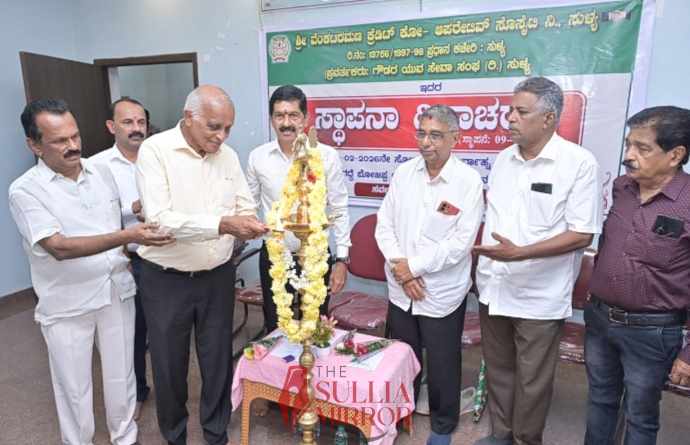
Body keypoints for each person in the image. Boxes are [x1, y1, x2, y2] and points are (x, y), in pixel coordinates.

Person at [9, 98, 174, 445]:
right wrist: (127, 237)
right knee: (74, 387)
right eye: (60, 141)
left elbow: (113, 222)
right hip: (68, 299)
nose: (72, 145)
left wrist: (133, 232)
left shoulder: (101, 172)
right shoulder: (25, 190)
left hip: (116, 288)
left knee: (122, 375)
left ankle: (125, 437)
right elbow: (58, 247)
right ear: (35, 145)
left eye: (75, 136)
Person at [472, 77, 603, 445]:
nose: (510, 118)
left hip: (539, 294)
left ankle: (526, 440)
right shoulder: (504, 159)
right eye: (511, 110)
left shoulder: (578, 163)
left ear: (548, 119)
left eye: (521, 112)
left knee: (532, 380)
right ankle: (501, 435)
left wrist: (520, 254)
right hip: (495, 286)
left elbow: (582, 234)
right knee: (499, 369)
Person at [135, 85, 266, 445]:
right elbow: (160, 220)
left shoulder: (228, 156)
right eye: (213, 126)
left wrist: (249, 223)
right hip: (166, 280)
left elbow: (244, 205)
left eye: (228, 128)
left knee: (217, 359)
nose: (221, 136)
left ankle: (216, 432)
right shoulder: (155, 150)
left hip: (218, 276)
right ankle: (174, 435)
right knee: (169, 364)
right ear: (188, 117)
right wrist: (222, 224)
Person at [376, 104, 484, 445]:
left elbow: (460, 243)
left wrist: (415, 267)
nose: (426, 142)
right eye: (421, 133)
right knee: (401, 356)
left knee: (442, 362)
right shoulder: (404, 173)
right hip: (401, 287)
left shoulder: (468, 182)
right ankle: (400, 412)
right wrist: (403, 270)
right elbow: (384, 225)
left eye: (436, 135)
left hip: (441, 290)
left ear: (456, 138)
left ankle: (442, 424)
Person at [584, 106, 690, 445]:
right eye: (628, 145)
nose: (629, 156)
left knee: (640, 418)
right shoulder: (622, 188)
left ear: (675, 155)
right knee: (599, 401)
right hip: (600, 319)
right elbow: (610, 241)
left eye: (642, 148)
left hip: (652, 331)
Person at [245, 84, 351, 416]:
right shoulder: (258, 157)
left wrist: (342, 258)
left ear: (305, 118)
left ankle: (315, 390)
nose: (286, 122)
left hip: (316, 256)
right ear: (271, 118)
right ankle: (273, 387)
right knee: (275, 322)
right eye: (280, 115)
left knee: (316, 324)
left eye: (293, 114)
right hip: (276, 255)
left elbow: (340, 207)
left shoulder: (325, 156)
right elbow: (248, 205)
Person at [90, 98, 150, 421]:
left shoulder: (159, 157)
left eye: (140, 122)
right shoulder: (96, 166)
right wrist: (133, 209)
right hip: (129, 259)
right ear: (111, 126)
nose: (136, 128)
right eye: (128, 122)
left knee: (167, 330)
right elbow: (97, 216)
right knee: (133, 332)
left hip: (166, 256)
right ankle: (137, 392)